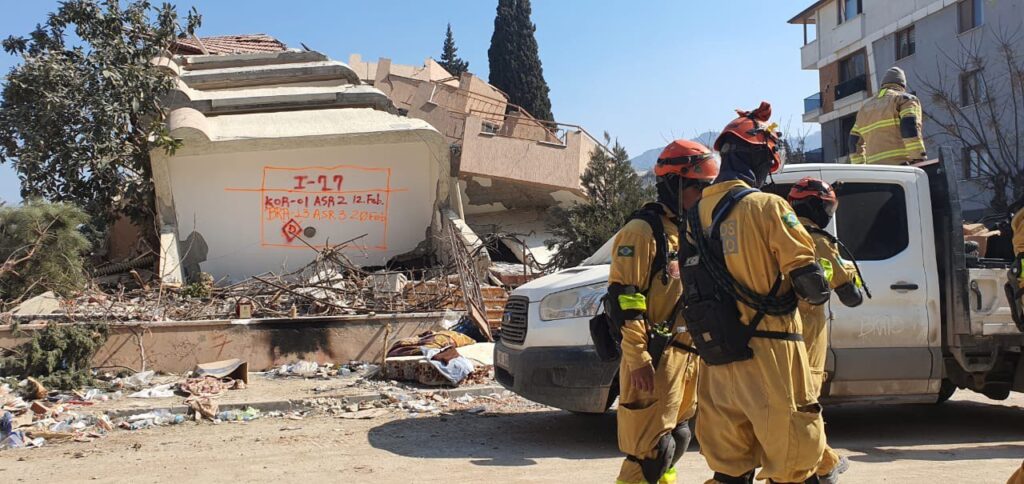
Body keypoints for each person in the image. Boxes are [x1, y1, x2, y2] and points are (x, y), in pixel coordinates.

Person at [682, 102, 831, 483]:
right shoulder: (768, 206)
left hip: (718, 358)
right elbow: (811, 286)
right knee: (797, 464)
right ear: (761, 157)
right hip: (772, 356)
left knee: (729, 470)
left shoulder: (694, 216)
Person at [607, 139, 719, 484]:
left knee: (678, 437)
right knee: (649, 453)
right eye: (699, 188)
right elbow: (625, 300)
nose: (703, 196)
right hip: (654, 357)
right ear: (676, 183)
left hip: (687, 355)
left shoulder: (686, 231)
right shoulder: (642, 232)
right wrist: (638, 356)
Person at [787, 177, 869, 483]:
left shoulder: (780, 233)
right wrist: (848, 271)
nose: (829, 212)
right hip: (807, 337)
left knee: (790, 406)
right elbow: (851, 296)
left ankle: (820, 463)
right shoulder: (819, 241)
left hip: (775, 335)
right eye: (827, 206)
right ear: (814, 206)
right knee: (805, 406)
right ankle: (821, 465)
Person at [849, 66, 927, 165]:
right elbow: (909, 126)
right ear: (902, 86)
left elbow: (853, 141)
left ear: (883, 85)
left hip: (876, 171)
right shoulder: (904, 99)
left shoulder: (864, 109)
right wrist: (918, 157)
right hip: (902, 166)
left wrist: (861, 167)